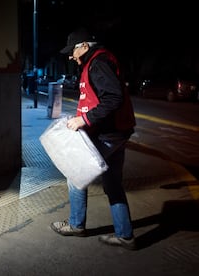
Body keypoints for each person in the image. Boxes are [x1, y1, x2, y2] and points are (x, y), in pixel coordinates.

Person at [50, 27, 137, 250]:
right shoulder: (98, 61)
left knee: (75, 173)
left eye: (73, 51)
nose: (71, 56)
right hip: (116, 132)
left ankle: (76, 225)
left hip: (108, 134)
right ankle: (125, 236)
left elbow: (113, 98)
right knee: (112, 183)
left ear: (85, 46)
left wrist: (84, 120)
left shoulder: (98, 63)